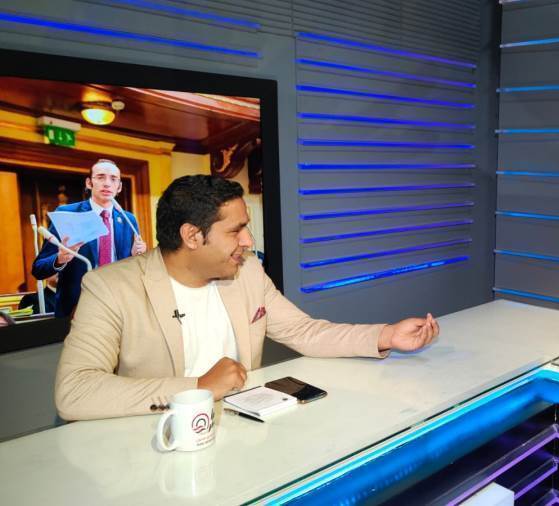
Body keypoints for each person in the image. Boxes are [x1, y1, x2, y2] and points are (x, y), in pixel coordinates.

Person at [54, 175, 439, 420]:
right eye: (236, 230)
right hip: (158, 446)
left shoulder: (248, 270)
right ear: (192, 236)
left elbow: (304, 332)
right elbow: (75, 391)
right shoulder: (109, 287)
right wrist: (198, 388)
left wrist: (386, 335)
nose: (249, 242)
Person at [32, 159, 147, 317]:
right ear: (89, 183)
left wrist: (136, 257)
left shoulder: (128, 219)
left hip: (118, 307)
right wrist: (59, 259)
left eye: (113, 179)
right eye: (100, 177)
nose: (107, 183)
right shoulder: (68, 214)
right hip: (77, 309)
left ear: (119, 187)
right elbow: (38, 269)